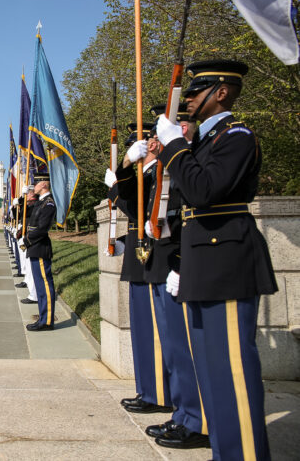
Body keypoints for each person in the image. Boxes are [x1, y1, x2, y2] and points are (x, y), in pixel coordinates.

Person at [155, 59, 276, 460]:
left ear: (221, 92)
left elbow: (204, 190)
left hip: (226, 263)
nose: (187, 97)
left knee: (232, 375)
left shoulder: (236, 136)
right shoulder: (204, 142)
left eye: (196, 90)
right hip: (204, 263)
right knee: (211, 375)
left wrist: (174, 145)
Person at [141, 104, 208, 449]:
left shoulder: (191, 160)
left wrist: (181, 263)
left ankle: (196, 418)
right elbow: (134, 205)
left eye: (161, 130)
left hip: (183, 262)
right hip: (166, 261)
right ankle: (186, 414)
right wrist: (128, 166)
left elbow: (193, 208)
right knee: (174, 346)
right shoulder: (168, 166)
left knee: (186, 348)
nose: (154, 138)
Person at [106, 123, 173, 414]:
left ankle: (159, 393)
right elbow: (129, 208)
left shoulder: (161, 173)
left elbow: (138, 210)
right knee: (144, 332)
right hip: (139, 256)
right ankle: (149, 389)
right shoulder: (144, 175)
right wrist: (120, 172)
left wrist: (121, 174)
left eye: (138, 146)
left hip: (156, 258)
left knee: (158, 332)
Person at [19, 174, 56, 331]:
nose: (34, 186)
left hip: (39, 247)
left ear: (44, 184)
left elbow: (41, 229)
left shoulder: (49, 204)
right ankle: (42, 317)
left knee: (44, 286)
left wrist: (26, 241)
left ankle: (47, 321)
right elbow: (25, 213)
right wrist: (22, 197)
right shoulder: (40, 203)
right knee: (40, 286)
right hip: (35, 248)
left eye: (37, 183)